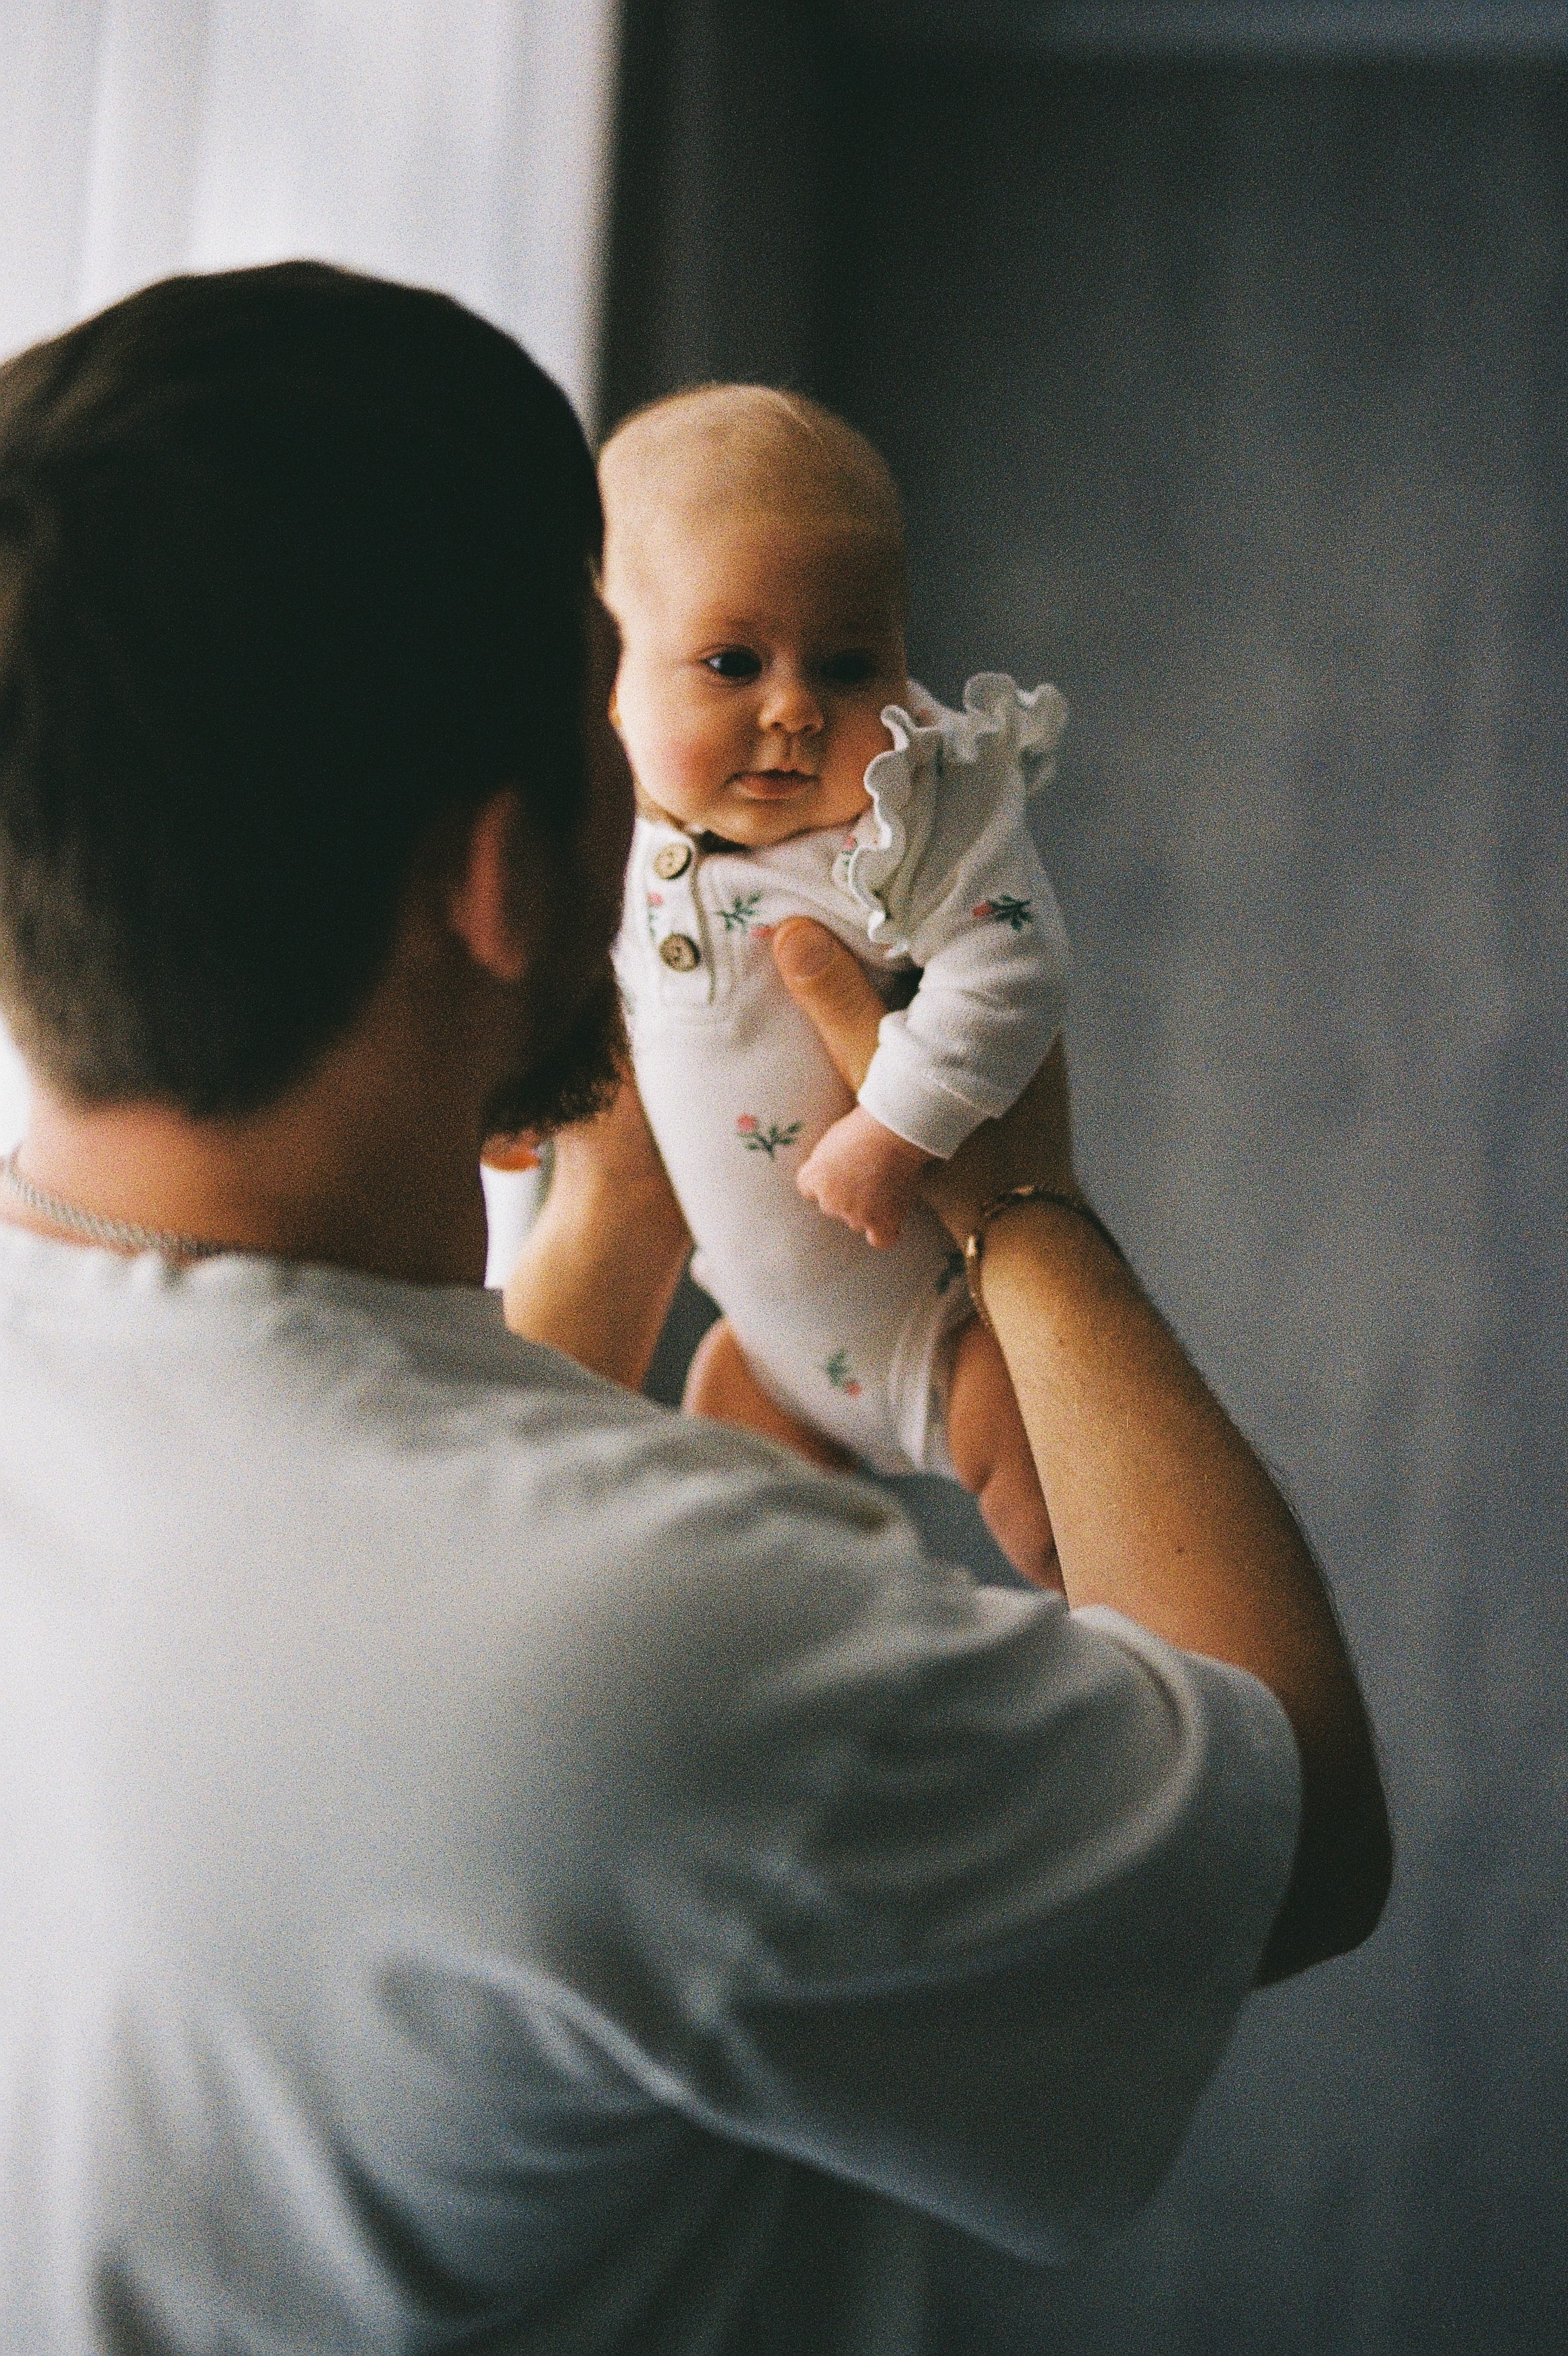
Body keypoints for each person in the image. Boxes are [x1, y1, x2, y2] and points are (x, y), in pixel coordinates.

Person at [0, 262, 1390, 2356]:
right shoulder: (658, 1645)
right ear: (497, 877)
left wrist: (621, 1204)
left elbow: (376, 1548)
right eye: (608, 687)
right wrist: (1026, 1206)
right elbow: (1286, 1835)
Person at [600, 386, 1069, 1584]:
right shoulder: (610, 831)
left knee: (1054, 1512)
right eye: (731, 662)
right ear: (614, 674)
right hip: (764, 1355)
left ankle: (1126, 1670)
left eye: (849, 662)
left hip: (940, 1322)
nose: (797, 707)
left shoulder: (914, 816)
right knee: (714, 1557)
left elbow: (1009, 964)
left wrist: (897, 1126)